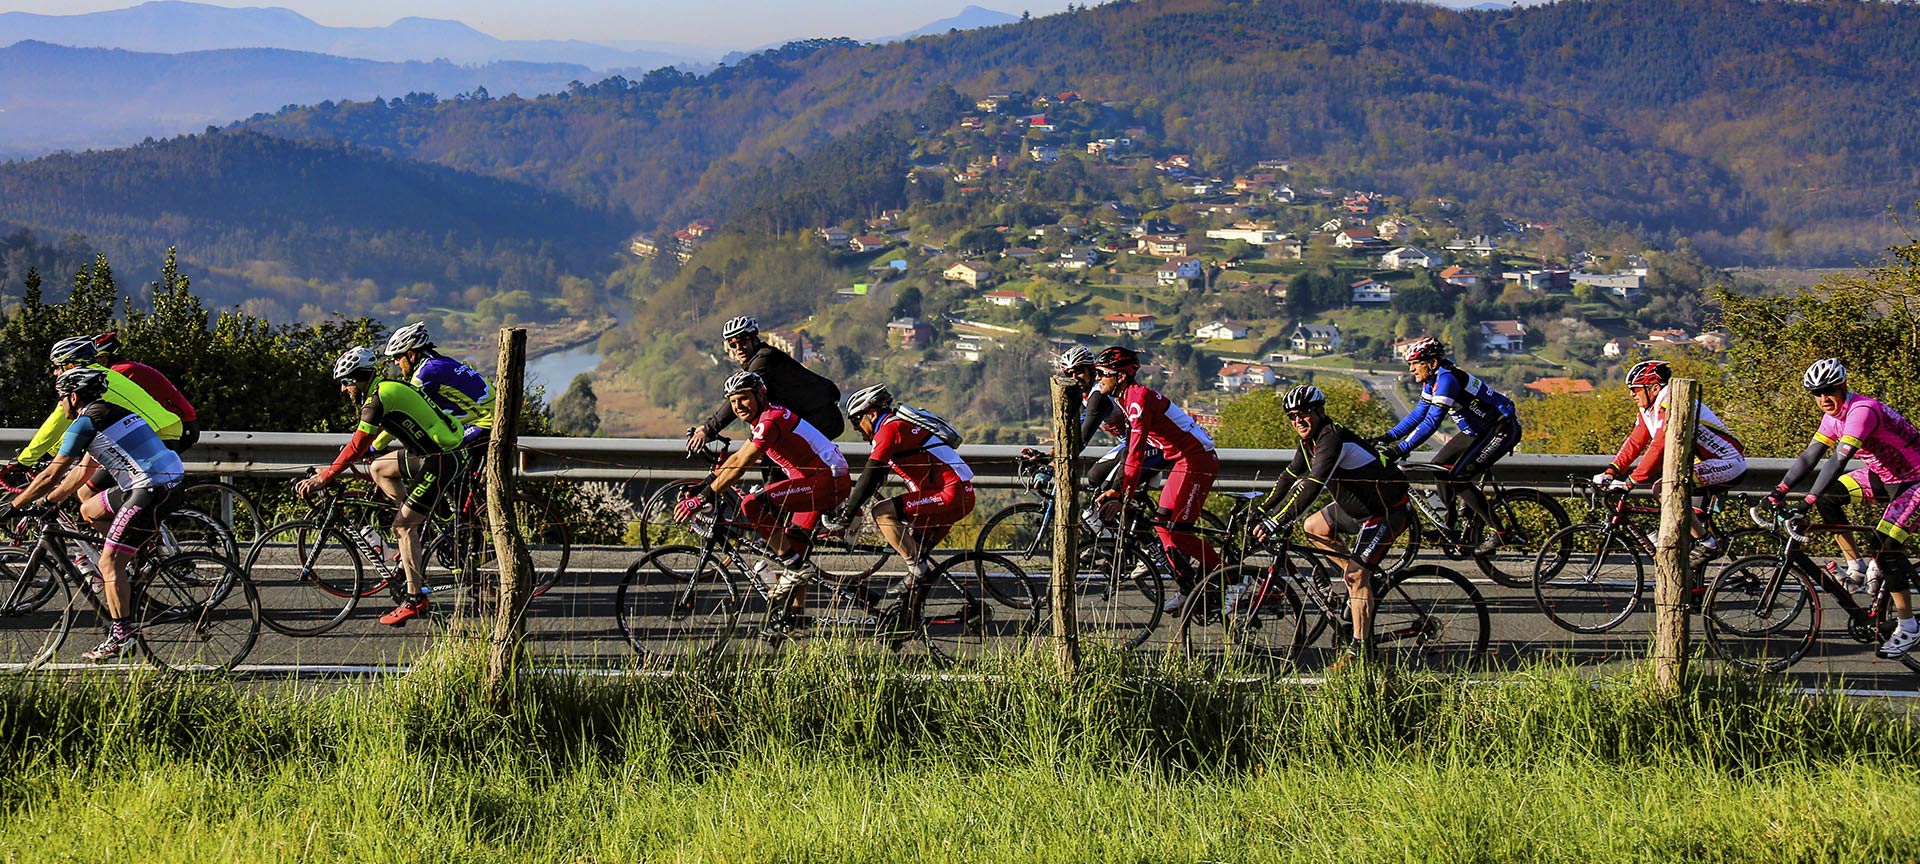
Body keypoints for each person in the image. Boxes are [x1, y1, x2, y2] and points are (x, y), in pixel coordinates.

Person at [0, 368, 185, 661]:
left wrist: (14, 506)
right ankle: (136, 553)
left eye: (61, 398)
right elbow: (82, 472)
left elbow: (52, 473)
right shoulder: (108, 412)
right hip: (164, 481)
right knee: (89, 509)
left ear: (73, 397)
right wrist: (51, 501)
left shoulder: (85, 423)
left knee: (109, 562)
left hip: (150, 488)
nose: (60, 405)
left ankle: (121, 635)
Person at [294, 347, 466, 627]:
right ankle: (416, 522)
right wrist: (347, 462)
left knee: (402, 526)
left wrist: (325, 477)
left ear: (359, 378)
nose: (343, 389)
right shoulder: (383, 390)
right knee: (379, 468)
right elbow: (368, 444)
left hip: (443, 459)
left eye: (345, 382)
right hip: (431, 453)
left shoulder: (377, 398)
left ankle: (414, 599)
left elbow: (357, 444)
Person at [1766, 359, 1920, 657]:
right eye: (1816, 393)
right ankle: (1856, 568)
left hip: (1914, 479)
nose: (1823, 398)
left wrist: (1806, 501)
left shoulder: (1862, 411)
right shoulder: (1832, 416)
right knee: (1829, 498)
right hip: (1885, 475)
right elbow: (1811, 456)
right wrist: (1779, 490)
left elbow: (1838, 460)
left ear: (1842, 387)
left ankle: (1909, 626)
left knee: (1885, 546)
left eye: (1828, 391)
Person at [1250, 385, 1412, 665]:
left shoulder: (1331, 438)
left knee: (1355, 577)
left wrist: (1277, 520)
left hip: (1386, 513)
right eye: (1291, 416)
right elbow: (1291, 475)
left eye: (1304, 414)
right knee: (1314, 527)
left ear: (1319, 412)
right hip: (1356, 509)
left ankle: (1360, 652)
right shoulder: (1308, 439)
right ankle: (1360, 584)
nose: (1298, 420)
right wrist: (1261, 508)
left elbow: (1313, 484)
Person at [673, 371, 851, 618]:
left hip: (825, 482)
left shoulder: (770, 421)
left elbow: (742, 464)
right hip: (815, 481)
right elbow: (736, 458)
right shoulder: (764, 419)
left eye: (744, 398)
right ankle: (797, 615)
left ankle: (794, 567)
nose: (738, 407)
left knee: (753, 504)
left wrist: (702, 498)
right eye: (733, 402)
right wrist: (705, 489)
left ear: (760, 394)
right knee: (793, 545)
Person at [1088, 346, 1220, 613]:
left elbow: (1135, 453)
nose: (1098, 378)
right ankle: (1187, 588)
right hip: (1180, 460)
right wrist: (1119, 490)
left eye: (1103, 373)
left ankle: (1232, 580)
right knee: (1162, 525)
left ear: (1121, 376)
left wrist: (1123, 495)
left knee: (1178, 531)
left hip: (1196, 459)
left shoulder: (1138, 399)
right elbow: (1131, 448)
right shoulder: (1127, 398)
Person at [828, 384, 975, 620]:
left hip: (949, 494)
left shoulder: (890, 429)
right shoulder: (898, 427)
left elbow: (870, 475)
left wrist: (847, 514)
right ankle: (909, 622)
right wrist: (850, 509)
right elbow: (877, 479)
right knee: (917, 562)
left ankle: (917, 576)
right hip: (956, 495)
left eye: (857, 421)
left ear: (872, 413)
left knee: (882, 513)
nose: (857, 429)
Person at [1593, 359, 1747, 562]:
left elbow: (1660, 445)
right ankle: (1692, 574)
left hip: (1727, 462)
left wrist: (1631, 482)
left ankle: (1708, 543)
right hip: (1703, 463)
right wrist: (1611, 471)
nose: (1631, 394)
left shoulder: (1670, 401)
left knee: (1664, 488)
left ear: (1654, 388)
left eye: (1635, 389)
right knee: (1675, 506)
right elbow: (1635, 441)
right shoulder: (1649, 407)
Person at [1376, 337, 1520, 553]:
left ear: (1432, 363)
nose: (1411, 369)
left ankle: (1500, 532)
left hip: (1501, 429)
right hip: (1478, 431)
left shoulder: (1447, 380)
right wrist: (1387, 437)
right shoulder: (1433, 380)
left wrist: (1400, 449)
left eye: (1415, 363)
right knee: (1440, 466)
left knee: (1459, 480)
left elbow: (1432, 422)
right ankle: (1450, 527)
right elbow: (1418, 414)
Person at [13, 336, 182, 469]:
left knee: (88, 489)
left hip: (157, 432)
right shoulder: (102, 375)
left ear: (71, 365)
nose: (55, 373)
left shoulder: (83, 383)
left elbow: (57, 424)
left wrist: (25, 460)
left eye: (57, 366)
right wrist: (51, 452)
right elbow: (76, 426)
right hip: (163, 428)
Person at [687, 316, 842, 453]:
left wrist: (709, 429)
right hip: (806, 418)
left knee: (773, 456)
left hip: (821, 418)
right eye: (733, 345)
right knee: (769, 452)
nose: (738, 348)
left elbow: (739, 397)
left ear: (754, 339)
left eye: (743, 341)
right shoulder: (758, 361)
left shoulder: (764, 361)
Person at [382, 322, 495, 449]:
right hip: (489, 421)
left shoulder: (425, 374)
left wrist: (374, 446)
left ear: (411, 355)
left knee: (430, 448)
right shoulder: (442, 362)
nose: (396, 363)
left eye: (397, 357)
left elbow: (405, 415)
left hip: (482, 425)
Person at [93, 331, 200, 452]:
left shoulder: (121, 371)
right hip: (176, 423)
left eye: (98, 360)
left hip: (174, 424)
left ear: (105, 358)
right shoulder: (128, 367)